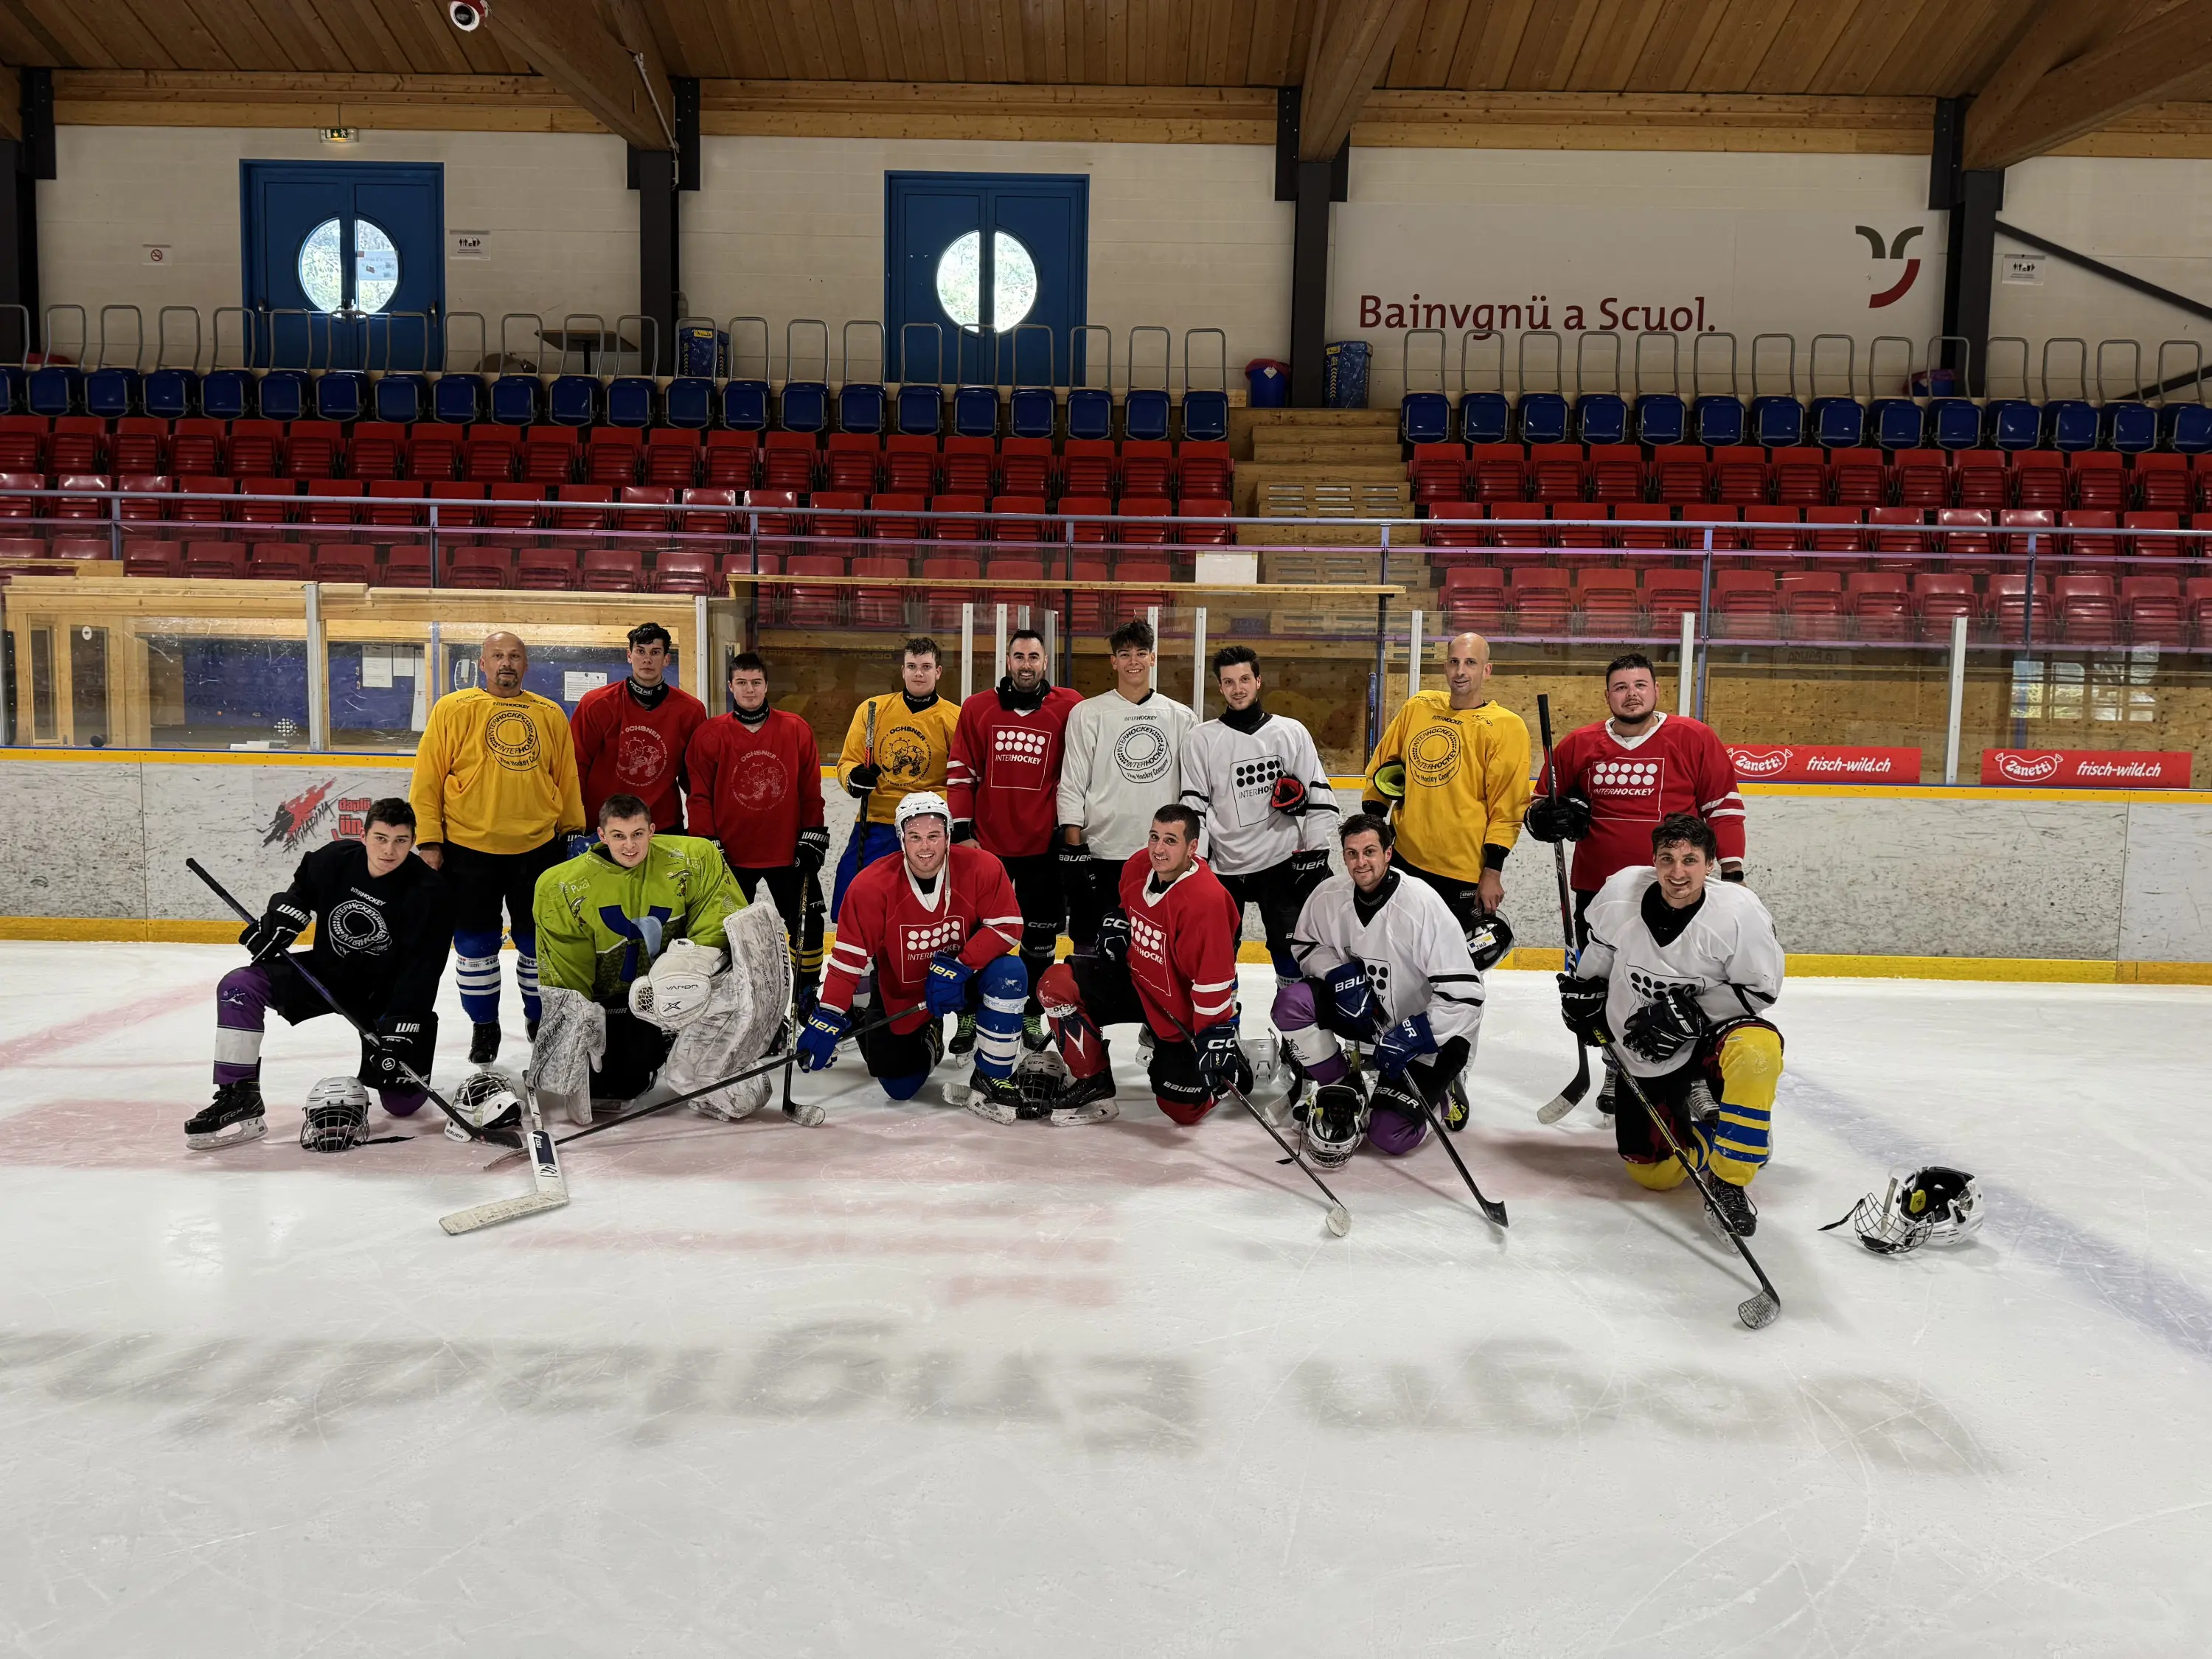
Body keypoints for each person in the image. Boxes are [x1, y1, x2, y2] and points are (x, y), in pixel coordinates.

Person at [1559, 813, 1784, 1237]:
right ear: (1654, 861)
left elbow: (1760, 993)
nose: (1678, 873)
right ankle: (1723, 1133)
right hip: (1642, 1039)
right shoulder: (1621, 892)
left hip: (1716, 1030)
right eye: (1667, 859)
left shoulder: (1739, 914)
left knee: (1758, 1053)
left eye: (1690, 860)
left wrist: (1693, 1014)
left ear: (1710, 865)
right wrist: (1585, 993)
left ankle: (1730, 1178)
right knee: (1655, 1176)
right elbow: (1601, 955)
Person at [185, 799, 453, 1150]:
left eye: (401, 840)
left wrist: (403, 1025)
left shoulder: (431, 892)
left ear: (413, 841)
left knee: (401, 1105)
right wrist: (277, 925)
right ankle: (238, 1095)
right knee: (240, 985)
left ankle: (407, 1074)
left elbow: (424, 970)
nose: (389, 850)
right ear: (363, 835)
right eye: (381, 838)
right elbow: (298, 895)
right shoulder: (333, 860)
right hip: (326, 974)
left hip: (385, 994)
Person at [529, 793, 790, 1127]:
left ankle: (707, 1048)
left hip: (686, 992)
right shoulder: (561, 886)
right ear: (602, 835)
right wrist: (581, 1017)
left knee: (733, 1086)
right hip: (619, 999)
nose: (630, 847)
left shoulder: (693, 859)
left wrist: (693, 964)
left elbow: (720, 920)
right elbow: (566, 967)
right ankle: (657, 1049)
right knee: (618, 1084)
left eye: (638, 834)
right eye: (619, 836)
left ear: (652, 830)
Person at [408, 629, 586, 1065]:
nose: (506, 663)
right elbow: (428, 779)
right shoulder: (453, 709)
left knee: (536, 942)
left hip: (538, 849)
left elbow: (566, 777)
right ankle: (484, 1025)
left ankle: (539, 1020)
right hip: (468, 850)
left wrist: (573, 834)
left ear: (526, 665)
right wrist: (429, 840)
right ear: (482, 664)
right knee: (475, 945)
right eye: (497, 656)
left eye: (515, 656)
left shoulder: (549, 714)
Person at [797, 792, 1030, 1120]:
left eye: (934, 836)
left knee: (1010, 972)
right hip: (906, 994)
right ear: (901, 839)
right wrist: (829, 1015)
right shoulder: (870, 886)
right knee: (899, 1086)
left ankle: (993, 1075)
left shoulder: (983, 867)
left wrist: (960, 967)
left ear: (948, 836)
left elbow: (1008, 926)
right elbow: (848, 957)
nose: (925, 847)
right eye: (915, 837)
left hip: (966, 981)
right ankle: (930, 1033)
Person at [1276, 813, 1484, 1165]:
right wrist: (1337, 975)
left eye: (1370, 851)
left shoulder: (1421, 904)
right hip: (1367, 1016)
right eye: (1352, 853)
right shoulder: (1329, 895)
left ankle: (1443, 1093)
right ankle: (1342, 1085)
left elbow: (1466, 997)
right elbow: (1305, 946)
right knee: (1291, 1004)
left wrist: (1417, 1032)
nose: (1361, 862)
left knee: (1389, 1135)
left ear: (1389, 853)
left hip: (1434, 1036)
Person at [1034, 804, 1244, 1127]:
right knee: (1056, 986)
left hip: (1179, 1009)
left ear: (1192, 848)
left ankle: (1224, 1078)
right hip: (1136, 982)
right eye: (1154, 837)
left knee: (1181, 1111)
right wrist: (1118, 922)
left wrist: (1214, 1037)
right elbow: (1126, 907)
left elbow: (1213, 982)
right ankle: (1094, 1081)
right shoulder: (1137, 866)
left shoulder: (1207, 902)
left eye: (1171, 841)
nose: (1158, 849)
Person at [1525, 651, 1746, 942]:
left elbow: (1723, 808)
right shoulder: (1578, 744)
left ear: (1656, 690)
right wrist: (1544, 817)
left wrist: (1733, 874)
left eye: (1640, 685)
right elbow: (1539, 804)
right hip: (1598, 889)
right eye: (1621, 687)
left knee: (1667, 978)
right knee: (1599, 981)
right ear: (1607, 696)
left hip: (1675, 886)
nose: (1631, 694)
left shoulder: (1694, 738)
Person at [947, 627, 1082, 1047]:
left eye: (1034, 657)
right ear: (1008, 661)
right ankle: (971, 1011)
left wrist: (1069, 830)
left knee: (1040, 936)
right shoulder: (977, 708)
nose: (1027, 664)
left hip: (1043, 847)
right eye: (1019, 656)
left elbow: (1078, 772)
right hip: (987, 846)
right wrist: (963, 831)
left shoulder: (1070, 706)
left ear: (1046, 662)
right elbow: (960, 771)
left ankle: (1030, 1012)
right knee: (976, 934)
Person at [1178, 646, 1338, 981]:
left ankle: (1297, 1031)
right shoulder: (1200, 739)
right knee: (1219, 954)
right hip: (1224, 865)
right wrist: (1197, 863)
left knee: (1290, 952)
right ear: (1220, 687)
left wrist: (1315, 854)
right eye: (1229, 681)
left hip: (1280, 861)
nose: (1238, 688)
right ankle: (1223, 1028)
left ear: (1258, 681)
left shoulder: (1290, 732)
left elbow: (1320, 796)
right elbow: (1194, 808)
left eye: (1245, 679)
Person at [685, 650, 829, 1017]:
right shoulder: (710, 734)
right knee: (726, 932)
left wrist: (813, 834)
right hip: (731, 855)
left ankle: (807, 997)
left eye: (757, 683)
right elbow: (699, 794)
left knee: (807, 926)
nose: (750, 690)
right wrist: (707, 840)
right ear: (730, 686)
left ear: (767, 685)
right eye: (742, 683)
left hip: (788, 851)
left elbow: (810, 788)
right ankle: (731, 1002)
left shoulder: (795, 728)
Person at [1362, 631, 1530, 934]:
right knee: (1397, 955)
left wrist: (1493, 871)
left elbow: (1508, 805)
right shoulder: (1420, 706)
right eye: (1454, 662)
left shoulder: (1507, 727)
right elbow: (1384, 765)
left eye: (1470, 663)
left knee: (1454, 970)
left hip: (1462, 870)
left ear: (1487, 670)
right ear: (1445, 667)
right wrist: (1373, 829)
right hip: (1404, 859)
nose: (1461, 671)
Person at [1057, 617, 1196, 956]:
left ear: (1153, 658)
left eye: (1140, 653)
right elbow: (1072, 782)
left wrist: (1190, 852)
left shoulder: (1182, 717)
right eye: (1124, 654)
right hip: (1102, 852)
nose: (1133, 661)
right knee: (1091, 949)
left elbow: (1192, 793)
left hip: (1161, 857)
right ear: (1113, 661)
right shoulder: (1087, 713)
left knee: (1155, 951)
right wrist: (1074, 850)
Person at [831, 636, 960, 919]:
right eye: (912, 666)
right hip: (880, 820)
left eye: (926, 666)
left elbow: (962, 778)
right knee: (850, 895)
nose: (918, 673)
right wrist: (855, 777)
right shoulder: (872, 710)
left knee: (925, 907)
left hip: (930, 824)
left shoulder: (954, 718)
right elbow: (847, 763)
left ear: (938, 672)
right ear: (902, 670)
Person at [568, 621, 709, 833]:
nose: (647, 659)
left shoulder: (691, 710)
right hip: (605, 824)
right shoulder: (596, 704)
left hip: (663, 825)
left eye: (655, 652)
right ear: (629, 655)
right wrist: (573, 824)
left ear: (667, 659)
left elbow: (696, 778)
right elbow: (576, 767)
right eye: (640, 651)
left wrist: (704, 829)